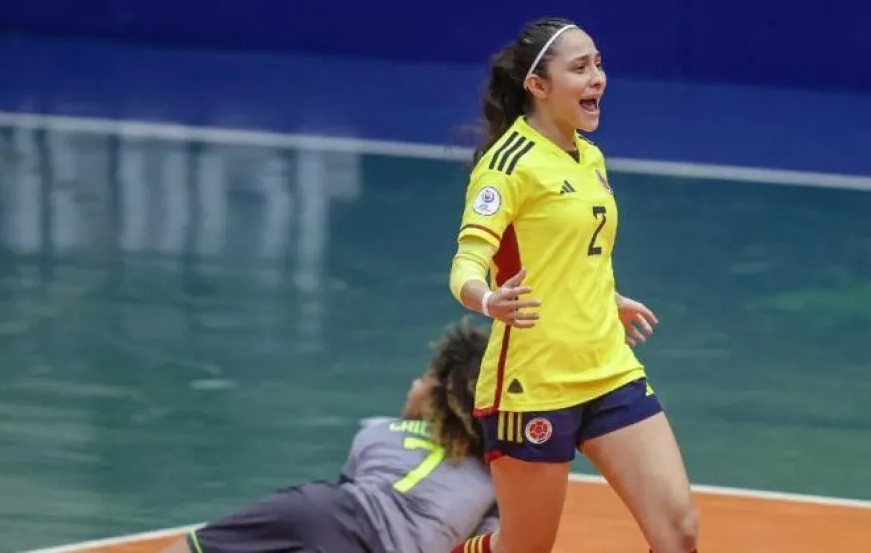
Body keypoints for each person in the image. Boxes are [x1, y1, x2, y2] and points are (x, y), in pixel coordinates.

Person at [446, 16, 699, 553]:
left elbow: (575, 251)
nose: (598, 78)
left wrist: (606, 298)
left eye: (599, 64)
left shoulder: (589, 155)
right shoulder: (506, 166)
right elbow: (467, 264)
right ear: (538, 86)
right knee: (524, 548)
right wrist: (490, 300)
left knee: (678, 535)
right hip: (533, 383)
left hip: (608, 369)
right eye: (580, 68)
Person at [160, 319, 498, 553]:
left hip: (315, 510)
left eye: (423, 379)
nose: (414, 384)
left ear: (437, 396)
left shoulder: (380, 432)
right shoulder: (492, 482)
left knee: (198, 547)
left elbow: (351, 491)